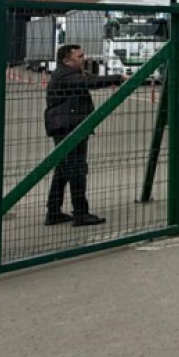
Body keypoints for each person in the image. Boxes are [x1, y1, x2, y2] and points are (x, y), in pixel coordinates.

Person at [43, 44, 126, 226]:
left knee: (64, 169)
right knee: (77, 169)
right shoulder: (66, 76)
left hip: (67, 125)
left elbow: (90, 79)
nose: (84, 58)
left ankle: (54, 211)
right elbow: (89, 82)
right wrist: (118, 78)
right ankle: (81, 213)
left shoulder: (68, 73)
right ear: (67, 60)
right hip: (68, 128)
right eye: (79, 56)